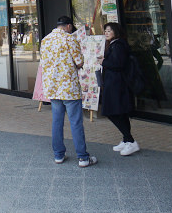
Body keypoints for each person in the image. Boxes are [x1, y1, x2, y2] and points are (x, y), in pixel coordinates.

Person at [40, 15, 97, 167]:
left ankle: (58, 155)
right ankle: (83, 158)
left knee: (57, 122)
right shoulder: (70, 39)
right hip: (69, 88)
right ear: (69, 26)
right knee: (76, 122)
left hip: (53, 88)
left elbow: (43, 64)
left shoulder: (45, 40)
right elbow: (79, 62)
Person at [98, 22, 140, 156]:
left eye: (109, 30)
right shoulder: (117, 44)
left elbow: (118, 64)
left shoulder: (117, 45)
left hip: (116, 84)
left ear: (116, 31)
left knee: (112, 112)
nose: (106, 33)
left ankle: (131, 141)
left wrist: (103, 62)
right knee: (120, 112)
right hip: (116, 83)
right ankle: (126, 139)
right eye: (105, 31)